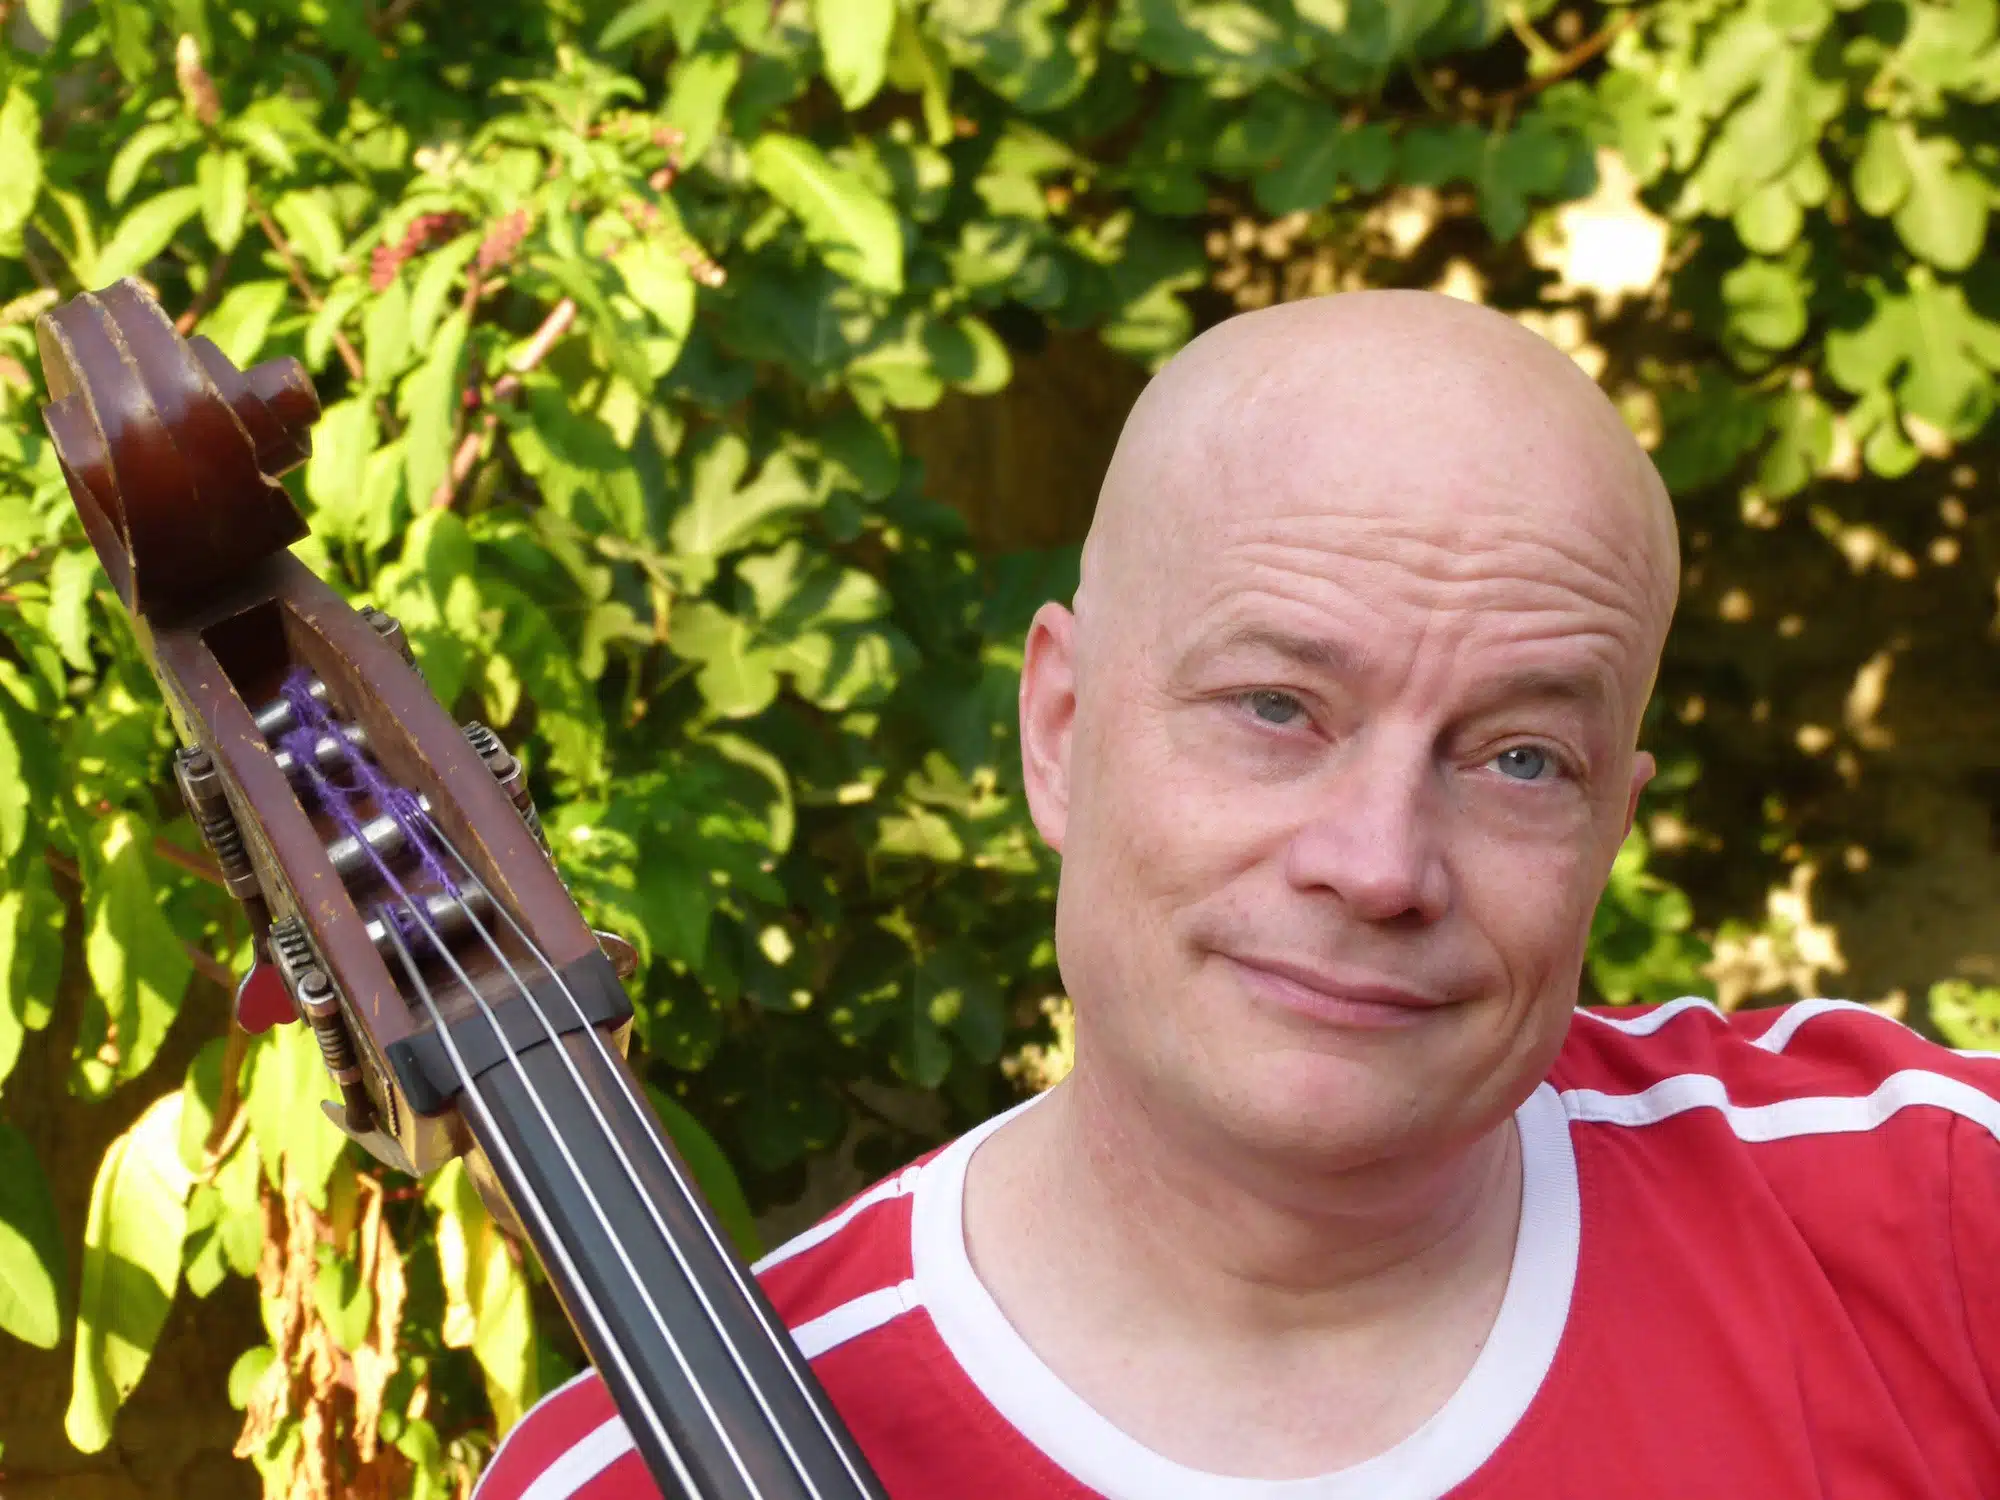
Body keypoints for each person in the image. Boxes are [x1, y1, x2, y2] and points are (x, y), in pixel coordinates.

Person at [473, 290, 2000, 1499]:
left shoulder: (1930, 1226)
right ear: (1062, 733)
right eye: (1278, 708)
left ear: (1612, 826)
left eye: (1523, 758)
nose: (1380, 863)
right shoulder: (620, 1483)